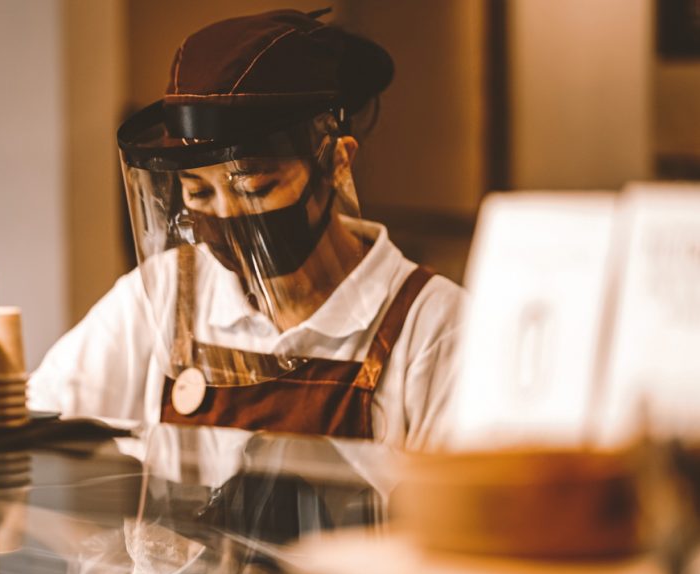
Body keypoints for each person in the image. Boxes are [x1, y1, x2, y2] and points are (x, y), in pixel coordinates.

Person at [28, 8, 465, 451]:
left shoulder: (433, 326)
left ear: (337, 161)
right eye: (198, 194)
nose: (226, 215)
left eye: (254, 188)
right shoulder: (162, 296)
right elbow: (42, 426)